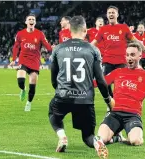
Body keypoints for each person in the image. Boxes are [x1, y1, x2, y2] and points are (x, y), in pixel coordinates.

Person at [49, 15, 112, 157]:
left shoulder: (58, 49)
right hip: (85, 99)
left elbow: (53, 79)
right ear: (85, 30)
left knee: (53, 114)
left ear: (69, 29)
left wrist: (60, 90)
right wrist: (108, 99)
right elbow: (101, 81)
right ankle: (97, 142)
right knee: (87, 136)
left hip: (63, 97)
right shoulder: (93, 49)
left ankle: (62, 137)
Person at [91, 5, 145, 98]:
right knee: (104, 84)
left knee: (121, 85)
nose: (111, 14)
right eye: (109, 13)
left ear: (117, 15)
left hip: (121, 62)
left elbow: (137, 42)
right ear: (107, 15)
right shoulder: (103, 29)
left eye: (113, 12)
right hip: (107, 62)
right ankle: (111, 102)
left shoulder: (123, 27)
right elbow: (93, 44)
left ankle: (116, 105)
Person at [9, 13, 52, 111]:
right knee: (20, 81)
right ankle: (23, 89)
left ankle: (28, 103)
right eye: (29, 19)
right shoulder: (20, 34)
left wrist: (52, 50)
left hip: (35, 62)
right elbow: (16, 47)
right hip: (23, 60)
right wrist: (13, 59)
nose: (31, 21)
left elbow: (46, 44)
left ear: (35, 22)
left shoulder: (40, 34)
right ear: (26, 22)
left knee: (32, 85)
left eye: (33, 19)